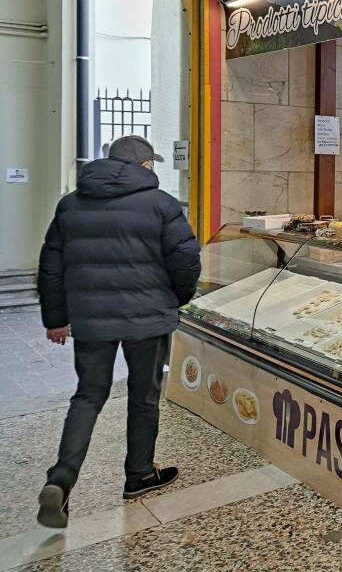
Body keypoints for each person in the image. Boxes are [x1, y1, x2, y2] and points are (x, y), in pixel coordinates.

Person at [36, 135, 201, 528]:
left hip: (91, 319)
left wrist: (55, 319)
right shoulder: (161, 204)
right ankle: (140, 473)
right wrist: (176, 299)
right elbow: (185, 258)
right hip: (148, 317)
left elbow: (51, 267)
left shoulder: (70, 204)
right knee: (144, 397)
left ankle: (61, 478)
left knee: (88, 396)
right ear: (144, 165)